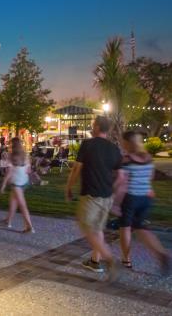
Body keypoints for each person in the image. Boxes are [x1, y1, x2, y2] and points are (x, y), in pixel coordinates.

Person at [66, 116, 122, 279]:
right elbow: (121, 175)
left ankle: (109, 258)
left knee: (86, 226)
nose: (92, 127)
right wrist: (113, 191)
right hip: (107, 196)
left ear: (97, 127)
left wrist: (69, 187)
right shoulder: (114, 148)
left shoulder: (88, 144)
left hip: (91, 194)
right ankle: (94, 261)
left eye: (93, 125)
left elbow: (76, 169)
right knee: (97, 229)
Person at [116, 131, 170, 274]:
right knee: (141, 227)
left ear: (127, 143)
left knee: (125, 227)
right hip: (145, 198)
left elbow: (121, 180)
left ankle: (126, 259)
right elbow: (150, 177)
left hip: (131, 198)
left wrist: (113, 195)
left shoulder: (126, 159)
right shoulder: (148, 158)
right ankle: (160, 253)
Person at [0, 138, 34, 233]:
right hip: (24, 182)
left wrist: (3, 185)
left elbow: (8, 173)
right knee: (13, 202)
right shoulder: (25, 155)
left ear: (12, 145)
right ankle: (8, 221)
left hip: (16, 183)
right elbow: (28, 170)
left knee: (22, 205)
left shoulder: (11, 156)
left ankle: (29, 226)